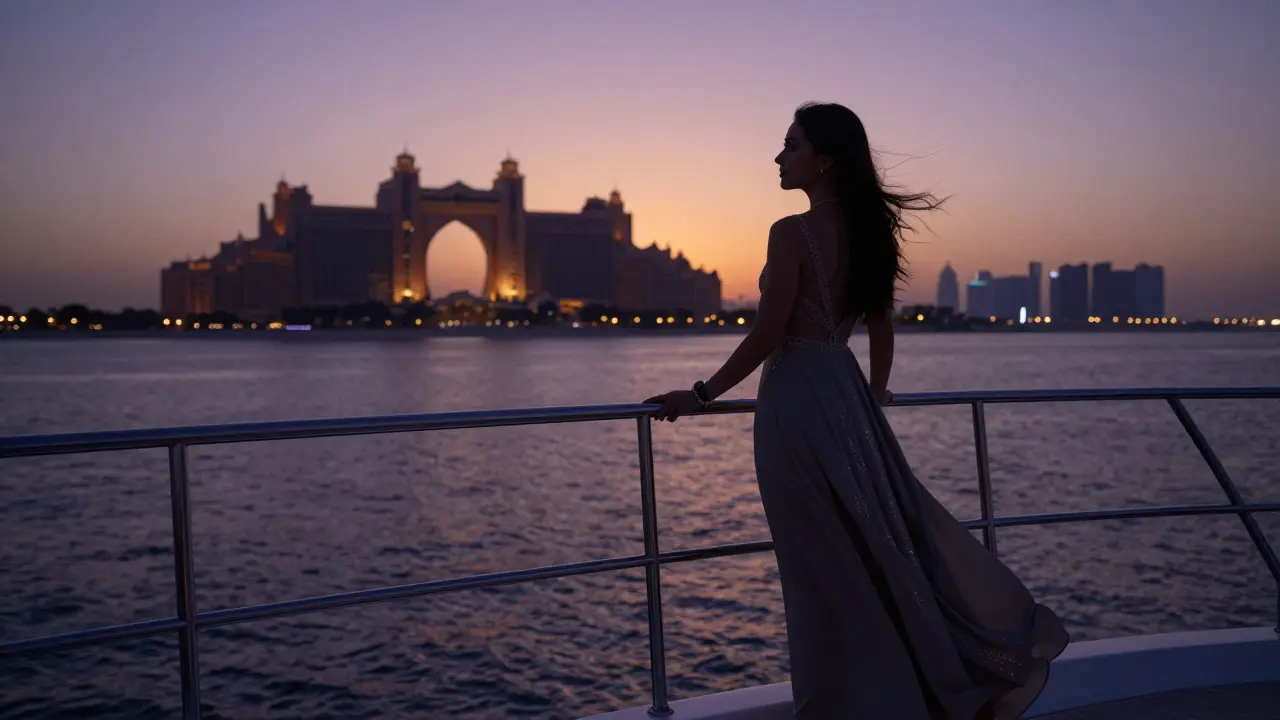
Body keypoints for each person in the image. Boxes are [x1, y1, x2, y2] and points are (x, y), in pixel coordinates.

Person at [644, 102, 1068, 719]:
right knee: (873, 549)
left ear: (826, 158)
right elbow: (881, 331)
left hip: (794, 403)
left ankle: (840, 704)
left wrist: (702, 394)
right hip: (845, 396)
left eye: (790, 146)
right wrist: (874, 394)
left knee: (816, 570)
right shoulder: (873, 232)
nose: (778, 157)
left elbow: (767, 335)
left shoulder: (790, 232)